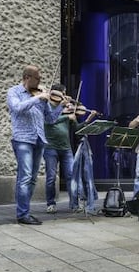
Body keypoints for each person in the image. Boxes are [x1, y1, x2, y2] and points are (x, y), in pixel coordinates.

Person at [7, 65, 68, 225]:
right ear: (27, 77)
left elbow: (50, 119)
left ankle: (24, 211)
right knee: (25, 176)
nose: (40, 82)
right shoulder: (14, 92)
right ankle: (23, 214)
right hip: (23, 139)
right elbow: (17, 108)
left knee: (32, 179)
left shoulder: (42, 95)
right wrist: (36, 99)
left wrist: (61, 106)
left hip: (39, 140)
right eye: (37, 79)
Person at [43, 84, 98, 214]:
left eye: (65, 93)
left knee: (71, 176)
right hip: (50, 147)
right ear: (55, 94)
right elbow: (48, 121)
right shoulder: (48, 107)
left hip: (66, 148)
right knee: (51, 177)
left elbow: (77, 130)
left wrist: (88, 119)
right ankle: (51, 204)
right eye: (63, 93)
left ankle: (74, 204)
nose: (65, 96)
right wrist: (66, 115)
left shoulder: (69, 109)